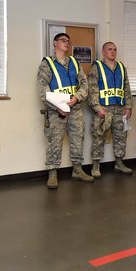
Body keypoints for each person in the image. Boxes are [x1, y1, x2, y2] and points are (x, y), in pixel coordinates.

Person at [37, 32, 93, 188]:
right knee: (54, 141)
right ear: (55, 43)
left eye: (68, 41)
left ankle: (77, 169)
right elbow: (43, 89)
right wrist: (58, 107)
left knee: (77, 140)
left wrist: (77, 97)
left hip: (75, 109)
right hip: (56, 111)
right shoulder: (47, 63)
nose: (66, 43)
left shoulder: (75, 63)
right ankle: (52, 173)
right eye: (63, 40)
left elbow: (84, 84)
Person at [87, 42, 133, 177]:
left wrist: (129, 106)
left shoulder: (121, 67)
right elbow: (92, 90)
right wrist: (97, 108)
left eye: (114, 49)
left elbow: (127, 88)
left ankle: (119, 163)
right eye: (109, 49)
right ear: (103, 51)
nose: (113, 52)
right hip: (103, 109)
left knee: (121, 137)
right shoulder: (97, 67)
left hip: (120, 109)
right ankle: (95, 166)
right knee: (98, 137)